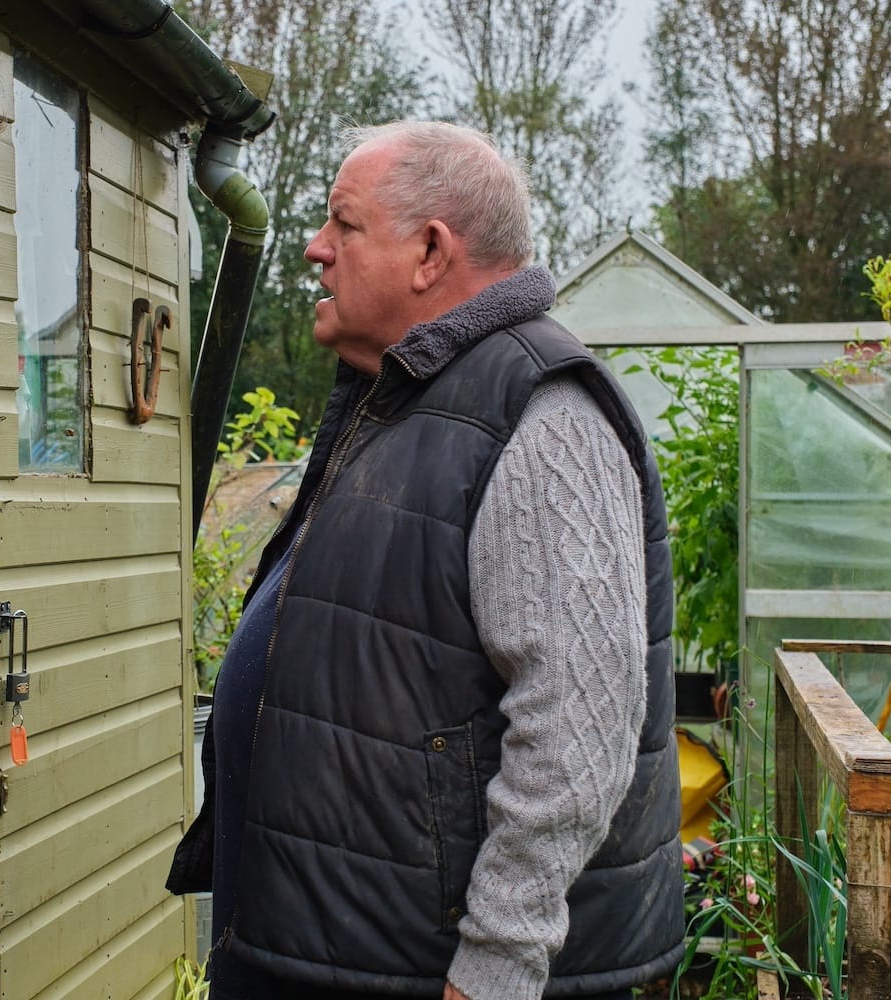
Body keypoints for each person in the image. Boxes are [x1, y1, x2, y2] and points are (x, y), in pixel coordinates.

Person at [167, 121, 684, 1000]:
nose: (315, 249)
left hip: (429, 973)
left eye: (344, 224)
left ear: (430, 252)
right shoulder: (402, 402)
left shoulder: (540, 411)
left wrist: (496, 964)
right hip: (331, 949)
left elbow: (579, 727)